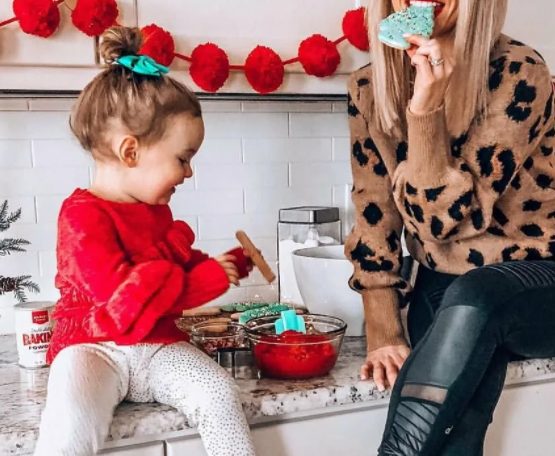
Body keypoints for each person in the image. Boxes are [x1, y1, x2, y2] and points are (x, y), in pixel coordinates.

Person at [34, 26, 257, 456]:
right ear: (130, 152)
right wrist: (204, 281)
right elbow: (122, 296)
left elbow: (169, 265)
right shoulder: (81, 216)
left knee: (219, 393)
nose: (189, 173)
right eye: (183, 158)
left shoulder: (155, 210)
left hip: (157, 347)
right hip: (93, 348)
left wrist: (223, 265)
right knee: (70, 422)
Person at [346, 0, 555, 454]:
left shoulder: (519, 73)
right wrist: (384, 331)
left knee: (477, 293)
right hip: (446, 286)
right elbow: (374, 216)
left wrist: (425, 110)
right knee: (453, 436)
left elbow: (441, 220)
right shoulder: (367, 87)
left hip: (538, 278)